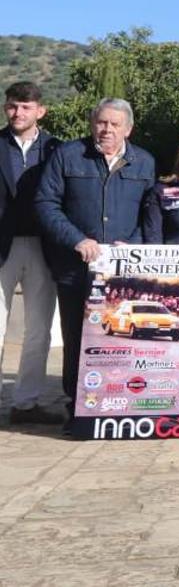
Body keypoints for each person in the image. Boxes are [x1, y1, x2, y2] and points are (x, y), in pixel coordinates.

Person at [35, 98, 156, 434]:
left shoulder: (144, 163)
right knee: (79, 341)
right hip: (76, 269)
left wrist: (132, 245)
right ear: (92, 124)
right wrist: (77, 239)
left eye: (115, 124)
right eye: (101, 123)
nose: (107, 129)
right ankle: (79, 410)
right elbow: (46, 203)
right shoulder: (68, 156)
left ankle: (121, 408)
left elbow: (151, 213)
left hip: (123, 273)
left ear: (128, 129)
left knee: (122, 341)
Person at [0, 82, 62, 424]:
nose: (17, 113)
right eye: (12, 106)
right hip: (2, 245)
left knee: (39, 329)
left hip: (43, 245)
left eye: (25, 107)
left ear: (41, 110)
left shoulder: (57, 149)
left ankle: (26, 403)